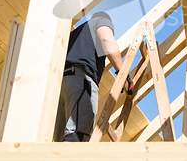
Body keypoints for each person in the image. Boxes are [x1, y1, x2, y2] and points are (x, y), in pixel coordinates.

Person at [53, 11, 134, 142]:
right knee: (77, 137)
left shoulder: (73, 35)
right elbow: (106, 39)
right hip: (81, 81)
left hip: (61, 83)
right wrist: (124, 74)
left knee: (58, 141)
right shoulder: (100, 21)